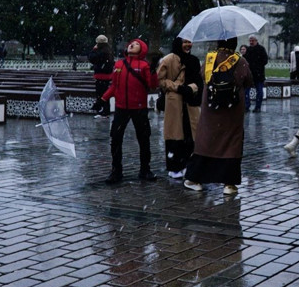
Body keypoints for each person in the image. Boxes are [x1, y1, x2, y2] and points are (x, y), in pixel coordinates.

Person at [183, 37, 253, 194]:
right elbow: (249, 81)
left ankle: (194, 179)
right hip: (232, 109)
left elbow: (202, 75)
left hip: (211, 107)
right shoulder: (240, 61)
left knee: (206, 140)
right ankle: (229, 184)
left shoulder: (210, 58)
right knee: (231, 143)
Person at [101, 39, 159, 184]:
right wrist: (102, 99)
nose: (132, 45)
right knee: (115, 138)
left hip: (139, 108)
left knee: (144, 139)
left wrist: (153, 72)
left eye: (137, 44)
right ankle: (116, 171)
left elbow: (152, 86)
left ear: (142, 49)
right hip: (121, 108)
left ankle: (145, 170)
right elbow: (114, 86)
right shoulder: (119, 64)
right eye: (131, 43)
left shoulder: (144, 65)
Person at [157, 37, 203, 178]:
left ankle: (188, 164)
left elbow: (199, 81)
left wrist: (191, 88)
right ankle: (175, 166)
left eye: (190, 42)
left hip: (191, 103)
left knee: (190, 135)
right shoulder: (169, 59)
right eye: (185, 42)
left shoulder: (194, 60)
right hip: (175, 102)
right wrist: (178, 88)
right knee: (175, 135)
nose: (188, 45)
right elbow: (160, 79)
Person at [88, 35, 114, 118]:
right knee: (105, 94)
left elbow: (91, 58)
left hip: (100, 75)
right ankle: (105, 110)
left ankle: (103, 111)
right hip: (107, 75)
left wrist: (94, 49)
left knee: (101, 94)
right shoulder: (108, 50)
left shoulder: (100, 51)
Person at [244, 34, 268, 112]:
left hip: (258, 74)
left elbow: (265, 60)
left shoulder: (261, 49)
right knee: (246, 91)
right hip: (249, 74)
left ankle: (258, 106)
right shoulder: (248, 50)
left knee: (259, 91)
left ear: (256, 41)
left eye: (252, 40)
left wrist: (257, 66)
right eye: (250, 40)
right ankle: (246, 105)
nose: (251, 42)